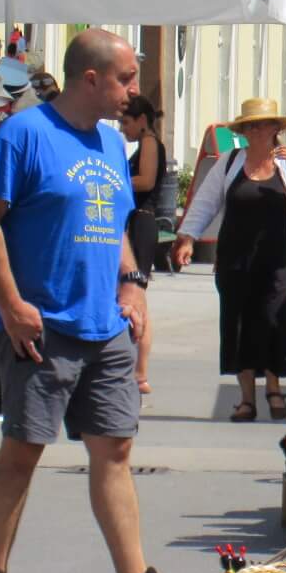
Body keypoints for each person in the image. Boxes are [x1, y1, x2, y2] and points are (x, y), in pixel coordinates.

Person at [0, 27, 202, 573]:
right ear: (90, 79)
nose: (133, 92)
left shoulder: (107, 144)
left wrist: (132, 281)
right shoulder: (25, 135)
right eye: (125, 79)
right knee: (23, 448)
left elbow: (115, 223)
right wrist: (11, 304)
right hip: (43, 325)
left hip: (104, 325)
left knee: (115, 449)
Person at [172, 100, 286, 423]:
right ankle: (246, 399)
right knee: (238, 325)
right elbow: (205, 201)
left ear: (275, 129)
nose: (255, 131)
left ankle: (273, 388)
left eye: (262, 125)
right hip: (236, 260)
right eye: (250, 126)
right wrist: (188, 237)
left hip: (279, 261)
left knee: (273, 320)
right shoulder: (230, 163)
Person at [117, 94, 171, 394]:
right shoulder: (147, 143)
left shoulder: (149, 142)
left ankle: (140, 372)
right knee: (134, 295)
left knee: (136, 295)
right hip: (138, 221)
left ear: (141, 121)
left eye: (126, 122)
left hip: (141, 221)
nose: (124, 129)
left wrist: (113, 178)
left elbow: (146, 181)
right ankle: (137, 371)